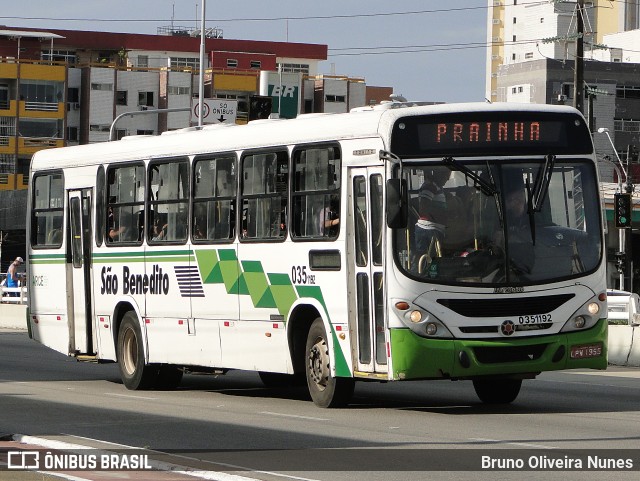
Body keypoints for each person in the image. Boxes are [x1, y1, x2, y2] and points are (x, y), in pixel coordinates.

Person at [414, 168, 451, 262]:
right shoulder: (430, 186)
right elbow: (423, 208)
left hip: (434, 229)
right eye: (446, 175)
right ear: (439, 173)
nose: (447, 179)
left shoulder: (436, 187)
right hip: (428, 230)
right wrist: (438, 217)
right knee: (425, 261)